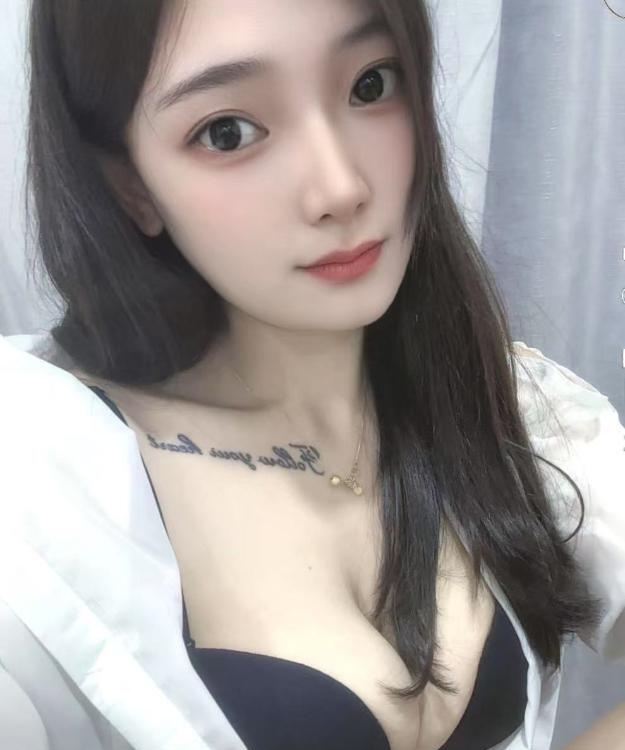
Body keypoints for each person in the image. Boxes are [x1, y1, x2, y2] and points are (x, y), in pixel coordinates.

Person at [0, 1, 623, 749]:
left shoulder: (508, 403)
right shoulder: (41, 481)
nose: (340, 187)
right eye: (227, 132)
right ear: (131, 185)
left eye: (370, 84)